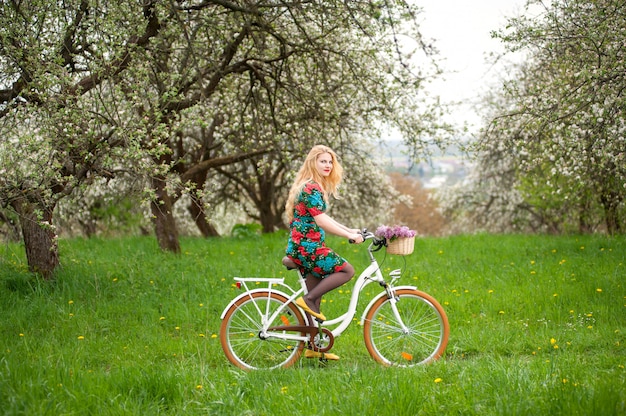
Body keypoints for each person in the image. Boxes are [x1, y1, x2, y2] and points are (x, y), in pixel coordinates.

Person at [284, 145, 364, 360]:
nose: (328, 165)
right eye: (323, 161)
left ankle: (313, 347)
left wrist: (349, 230)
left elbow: (323, 218)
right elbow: (320, 220)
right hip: (308, 248)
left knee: (315, 300)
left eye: (330, 162)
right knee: (347, 271)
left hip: (303, 247)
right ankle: (307, 300)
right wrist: (348, 236)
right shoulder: (311, 188)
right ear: (313, 163)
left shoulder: (312, 186)